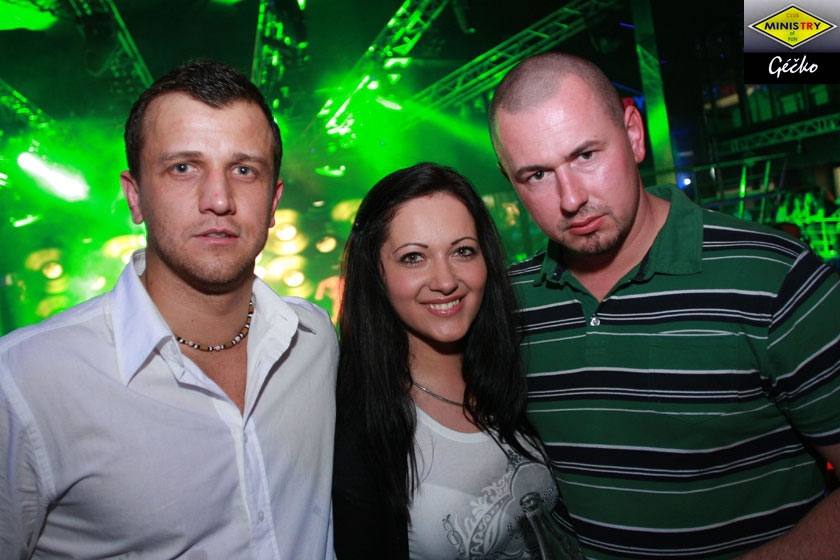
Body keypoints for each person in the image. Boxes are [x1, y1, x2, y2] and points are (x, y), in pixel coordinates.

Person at [488, 51, 840, 559]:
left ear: (634, 133)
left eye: (585, 155)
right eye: (537, 175)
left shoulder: (773, 277)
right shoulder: (507, 304)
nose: (571, 198)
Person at [0, 59, 338, 558]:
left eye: (244, 170)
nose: (218, 199)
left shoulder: (314, 339)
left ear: (273, 202)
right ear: (135, 197)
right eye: (183, 168)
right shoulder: (25, 381)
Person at [332, 162, 575, 559]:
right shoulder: (358, 425)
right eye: (414, 257)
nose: (445, 281)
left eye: (463, 251)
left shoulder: (519, 365)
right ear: (376, 272)